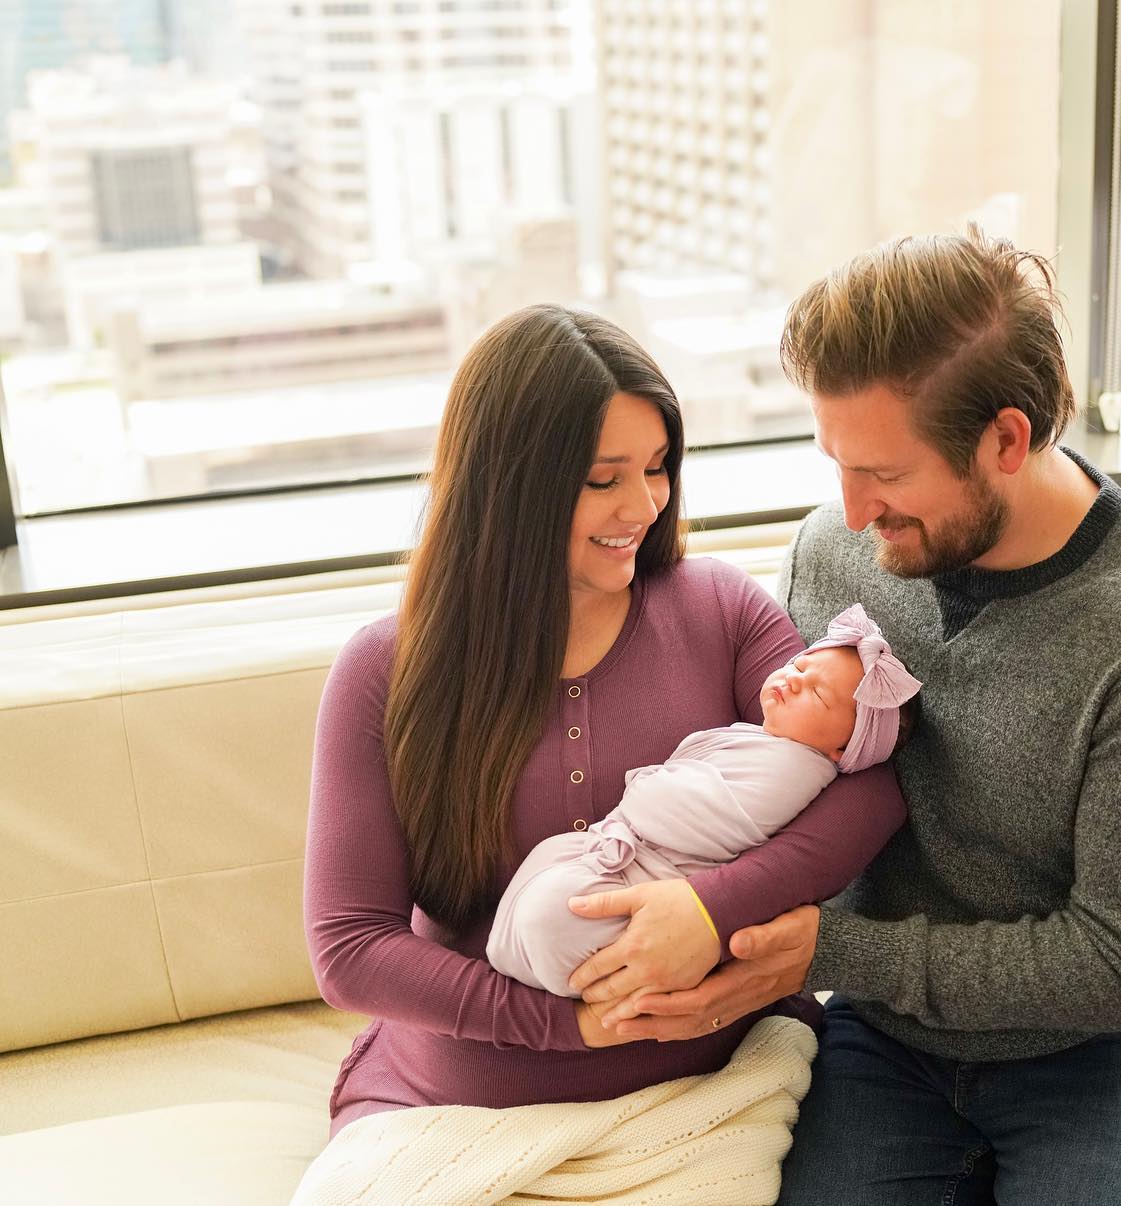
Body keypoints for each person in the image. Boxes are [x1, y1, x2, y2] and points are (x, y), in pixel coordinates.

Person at [573, 231, 1121, 1206]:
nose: (852, 512)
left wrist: (831, 952)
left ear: (1008, 441)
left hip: (1119, 1047)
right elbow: (772, 790)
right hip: (891, 1036)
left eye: (884, 476)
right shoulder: (834, 556)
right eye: (837, 466)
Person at [303, 304, 907, 1137]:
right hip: (462, 1103)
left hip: (717, 1086)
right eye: (603, 478)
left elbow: (869, 791)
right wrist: (572, 1027)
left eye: (659, 468)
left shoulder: (721, 610)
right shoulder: (384, 670)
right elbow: (349, 946)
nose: (645, 504)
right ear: (508, 486)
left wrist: (708, 911)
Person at [487, 604, 922, 997]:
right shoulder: (767, 742)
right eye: (801, 664)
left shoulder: (795, 771)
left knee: (553, 915)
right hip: (626, 853)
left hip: (653, 877)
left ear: (843, 751)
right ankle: (524, 954)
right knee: (549, 866)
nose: (794, 680)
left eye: (817, 693)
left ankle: (594, 985)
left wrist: (646, 785)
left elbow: (696, 819)